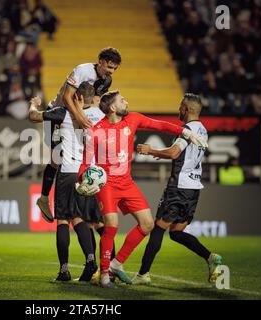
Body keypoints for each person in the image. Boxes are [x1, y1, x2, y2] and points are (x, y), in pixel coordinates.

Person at [76, 91, 208, 288]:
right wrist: (81, 181)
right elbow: (85, 164)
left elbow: (160, 125)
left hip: (127, 183)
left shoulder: (133, 119)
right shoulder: (95, 132)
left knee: (147, 224)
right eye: (122, 100)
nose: (126, 102)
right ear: (112, 108)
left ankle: (115, 264)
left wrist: (186, 132)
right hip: (107, 185)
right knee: (111, 225)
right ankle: (104, 274)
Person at [133, 93, 222, 285]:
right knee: (176, 232)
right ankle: (210, 257)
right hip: (193, 189)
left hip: (179, 187)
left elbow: (174, 153)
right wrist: (162, 153)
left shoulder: (187, 129)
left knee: (157, 229)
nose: (178, 109)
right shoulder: (203, 130)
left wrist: (151, 150)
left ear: (187, 109)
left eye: (181, 106)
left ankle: (143, 274)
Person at [28, 82, 104, 282]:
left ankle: (64, 270)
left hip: (69, 171)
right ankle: (91, 261)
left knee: (63, 219)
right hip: (90, 175)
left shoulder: (63, 112)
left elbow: (33, 117)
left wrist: (34, 104)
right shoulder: (100, 115)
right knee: (80, 219)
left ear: (76, 96)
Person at [37, 47, 120, 224]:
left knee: (80, 155)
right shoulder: (83, 70)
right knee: (57, 158)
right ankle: (44, 198)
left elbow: (95, 102)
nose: (111, 72)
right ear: (101, 61)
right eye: (109, 67)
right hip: (59, 114)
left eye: (114, 69)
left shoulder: (106, 80)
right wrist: (80, 117)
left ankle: (82, 196)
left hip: (77, 117)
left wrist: (93, 119)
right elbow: (67, 97)